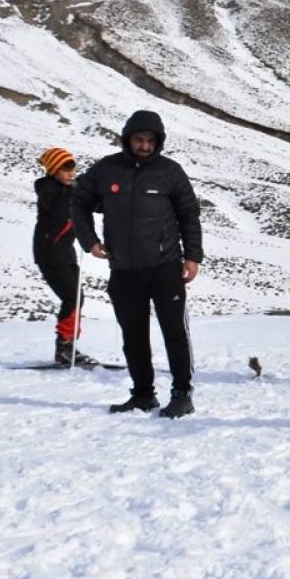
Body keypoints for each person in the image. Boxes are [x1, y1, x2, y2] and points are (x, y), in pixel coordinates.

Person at [70, 110, 203, 418]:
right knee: (133, 335)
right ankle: (143, 394)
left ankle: (182, 394)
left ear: (158, 142)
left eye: (150, 140)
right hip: (124, 269)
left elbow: (189, 215)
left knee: (175, 332)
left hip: (165, 266)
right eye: (139, 139)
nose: (144, 145)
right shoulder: (107, 169)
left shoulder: (170, 172)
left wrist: (193, 256)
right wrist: (88, 240)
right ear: (128, 139)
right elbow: (79, 201)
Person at [33, 147, 98, 366]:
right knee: (72, 297)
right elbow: (62, 208)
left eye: (73, 167)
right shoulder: (47, 189)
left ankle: (68, 347)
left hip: (65, 252)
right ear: (53, 169)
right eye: (66, 168)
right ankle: (64, 349)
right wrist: (77, 189)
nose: (71, 172)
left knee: (77, 296)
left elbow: (88, 206)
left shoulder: (65, 188)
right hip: (49, 252)